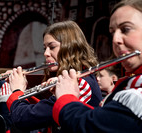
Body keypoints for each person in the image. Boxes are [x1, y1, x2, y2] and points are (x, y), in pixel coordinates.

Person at [52, 0, 142, 132]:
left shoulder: (136, 96)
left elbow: (88, 126)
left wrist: (66, 97)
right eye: (112, 32)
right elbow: (107, 117)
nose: (115, 39)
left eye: (126, 29)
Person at [6, 20, 102, 132]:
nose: (46, 53)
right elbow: (44, 110)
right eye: (44, 48)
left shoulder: (80, 83)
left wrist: (17, 90)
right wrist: (24, 92)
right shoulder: (73, 80)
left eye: (52, 47)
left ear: (70, 48)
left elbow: (23, 119)